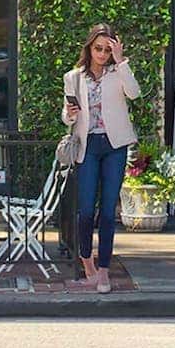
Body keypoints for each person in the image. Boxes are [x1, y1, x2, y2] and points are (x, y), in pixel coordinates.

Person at [61, 24, 140, 293]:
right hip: (88, 145)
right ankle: (88, 267)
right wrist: (70, 113)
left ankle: (104, 272)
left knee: (107, 211)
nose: (102, 54)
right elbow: (66, 116)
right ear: (89, 47)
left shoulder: (119, 73)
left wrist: (121, 61)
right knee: (85, 210)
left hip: (114, 145)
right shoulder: (73, 77)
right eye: (99, 48)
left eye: (108, 49)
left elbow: (135, 93)